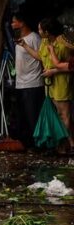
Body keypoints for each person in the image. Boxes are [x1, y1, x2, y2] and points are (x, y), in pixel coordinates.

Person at [39, 18, 74, 152]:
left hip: (62, 82)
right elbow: (43, 57)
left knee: (65, 115)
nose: (39, 32)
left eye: (40, 29)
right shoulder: (46, 42)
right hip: (51, 83)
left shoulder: (63, 44)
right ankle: (66, 143)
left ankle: (65, 144)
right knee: (58, 114)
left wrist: (53, 69)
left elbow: (61, 65)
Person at [12, 11, 45, 150]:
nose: (12, 24)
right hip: (21, 84)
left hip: (33, 83)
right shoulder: (19, 39)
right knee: (23, 117)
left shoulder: (34, 38)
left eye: (14, 21)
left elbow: (42, 57)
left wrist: (26, 46)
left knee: (33, 117)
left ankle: (39, 146)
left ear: (22, 22)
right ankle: (27, 144)